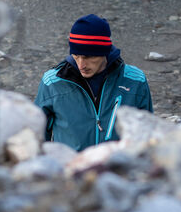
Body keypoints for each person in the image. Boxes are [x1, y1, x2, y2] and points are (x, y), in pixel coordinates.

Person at [35, 14, 152, 150]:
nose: (81, 65)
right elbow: (36, 139)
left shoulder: (135, 81)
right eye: (76, 56)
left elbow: (147, 136)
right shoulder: (52, 83)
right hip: (70, 163)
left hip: (118, 163)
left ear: (104, 52)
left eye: (88, 57)